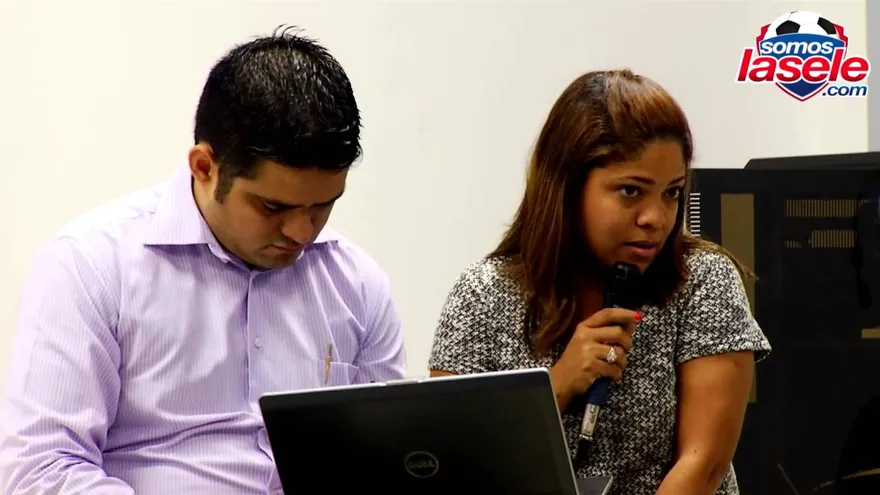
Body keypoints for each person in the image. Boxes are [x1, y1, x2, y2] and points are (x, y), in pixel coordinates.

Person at [0, 27, 406, 495]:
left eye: (323, 206)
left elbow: (383, 463)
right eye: (273, 207)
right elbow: (42, 470)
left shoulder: (358, 285)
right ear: (205, 166)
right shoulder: (91, 266)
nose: (301, 232)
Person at [428, 69, 771, 495]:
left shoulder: (702, 282)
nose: (656, 218)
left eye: (672, 193)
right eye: (631, 191)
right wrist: (555, 386)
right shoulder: (482, 295)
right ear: (567, 187)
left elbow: (703, 467)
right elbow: (449, 461)